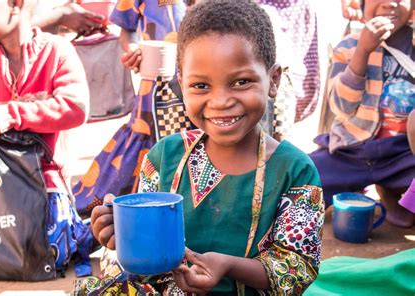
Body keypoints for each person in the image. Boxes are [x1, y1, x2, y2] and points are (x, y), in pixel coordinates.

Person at [90, 1, 325, 294]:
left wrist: (229, 265)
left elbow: (297, 268)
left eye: (241, 82)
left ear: (273, 80)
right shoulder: (163, 158)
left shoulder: (295, 170)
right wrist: (122, 235)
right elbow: (144, 264)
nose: (220, 101)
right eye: (201, 86)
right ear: (181, 84)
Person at [0, 0, 93, 275]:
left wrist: (12, 114)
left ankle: (85, 231)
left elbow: (75, 108)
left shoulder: (57, 52)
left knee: (48, 250)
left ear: (15, 4)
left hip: (46, 187)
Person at [72, 0, 187, 215]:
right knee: (142, 160)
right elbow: (127, 29)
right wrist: (133, 49)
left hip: (204, 94)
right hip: (153, 94)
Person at [309, 0, 414, 227]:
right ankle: (372, 185)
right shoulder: (348, 46)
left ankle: (391, 191)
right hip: (352, 151)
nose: (391, 3)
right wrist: (363, 50)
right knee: (302, 180)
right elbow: (341, 107)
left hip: (402, 155)